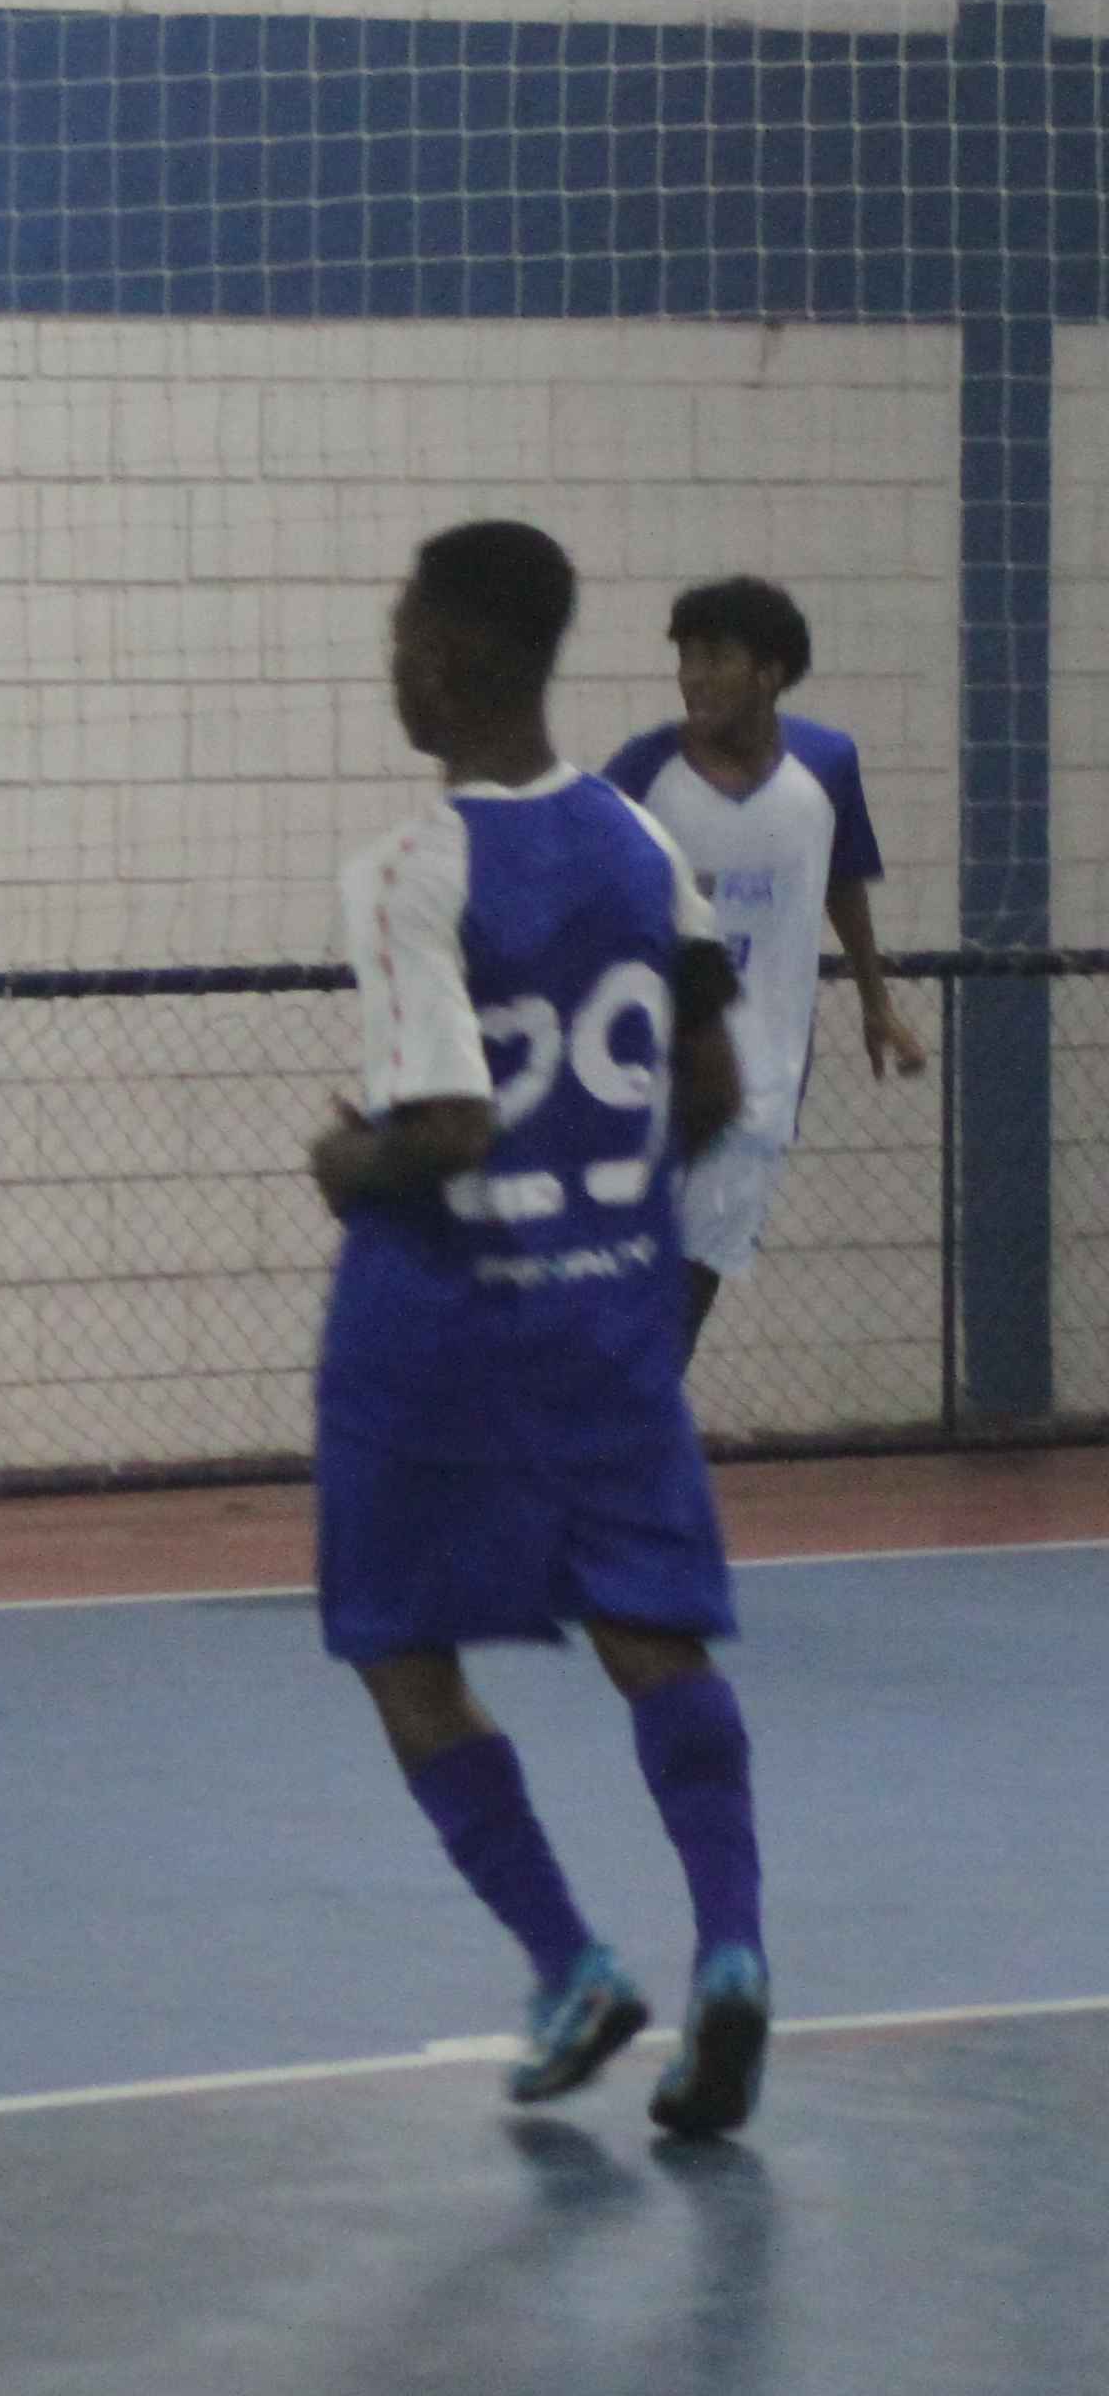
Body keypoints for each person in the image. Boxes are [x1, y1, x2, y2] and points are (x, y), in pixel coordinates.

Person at [310, 521, 774, 2137]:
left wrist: (337, 1157)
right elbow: (706, 1089)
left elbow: (436, 1123)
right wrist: (604, 1222)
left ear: (444, 652)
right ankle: (726, 1952)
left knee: (392, 1643)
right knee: (650, 1633)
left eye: (395, 626)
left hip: (438, 1326)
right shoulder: (640, 846)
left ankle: (568, 1963)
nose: (388, 656)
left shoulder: (402, 870)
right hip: (601, 1320)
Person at [596, 575, 925, 1351]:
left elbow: (843, 879)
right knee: (620, 1282)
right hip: (648, 1075)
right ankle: (613, 1442)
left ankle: (629, 1441)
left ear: (769, 672)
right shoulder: (642, 772)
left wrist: (876, 1004)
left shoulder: (827, 765)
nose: (694, 678)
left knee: (686, 1288)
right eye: (685, 659)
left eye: (715, 658)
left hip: (759, 1083)